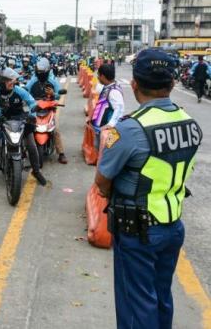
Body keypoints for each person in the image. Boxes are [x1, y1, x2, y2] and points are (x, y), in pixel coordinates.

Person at [95, 49, 202, 329]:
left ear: (134, 84)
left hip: (138, 232)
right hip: (173, 227)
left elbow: (102, 181)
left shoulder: (131, 128)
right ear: (172, 84)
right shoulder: (189, 122)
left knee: (136, 306)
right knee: (161, 299)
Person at [0, 68, 47, 186]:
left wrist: (33, 113)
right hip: (3, 122)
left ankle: (36, 172)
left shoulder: (19, 91)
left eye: (13, 80)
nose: (12, 82)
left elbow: (31, 102)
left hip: (21, 121)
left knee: (32, 146)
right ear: (2, 82)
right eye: (9, 80)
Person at [26, 58, 68, 164]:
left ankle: (61, 153)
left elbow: (58, 95)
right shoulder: (33, 80)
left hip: (49, 108)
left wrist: (54, 94)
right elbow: (26, 90)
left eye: (42, 72)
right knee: (26, 127)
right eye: (39, 72)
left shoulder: (52, 80)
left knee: (55, 129)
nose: (40, 74)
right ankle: (22, 150)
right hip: (35, 107)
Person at [92, 64, 124, 147]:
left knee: (106, 151)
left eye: (98, 75)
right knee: (99, 149)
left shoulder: (114, 91)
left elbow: (119, 109)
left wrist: (110, 125)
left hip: (108, 131)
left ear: (102, 76)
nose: (98, 77)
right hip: (101, 129)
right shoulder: (108, 87)